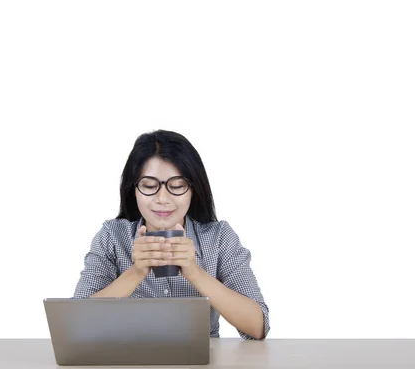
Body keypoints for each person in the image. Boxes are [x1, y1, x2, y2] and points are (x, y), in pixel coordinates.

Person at [73, 130, 270, 340]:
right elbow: (75, 324)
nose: (163, 199)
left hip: (201, 361)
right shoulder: (111, 237)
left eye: (176, 186)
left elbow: (257, 327)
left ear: (193, 190)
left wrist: (193, 271)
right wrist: (137, 271)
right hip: (129, 357)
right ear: (134, 189)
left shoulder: (219, 237)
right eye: (149, 186)